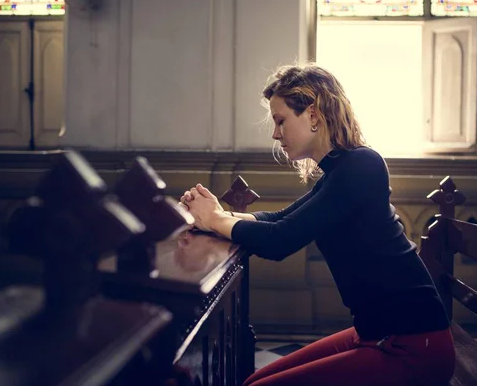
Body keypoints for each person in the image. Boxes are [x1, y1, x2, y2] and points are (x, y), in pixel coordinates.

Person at [180, 64, 455, 386]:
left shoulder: (362, 165)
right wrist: (211, 217)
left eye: (280, 120)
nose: (275, 133)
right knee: (256, 380)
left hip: (412, 347)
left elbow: (279, 240)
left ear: (313, 114)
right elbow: (279, 219)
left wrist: (214, 219)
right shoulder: (340, 171)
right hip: (377, 334)